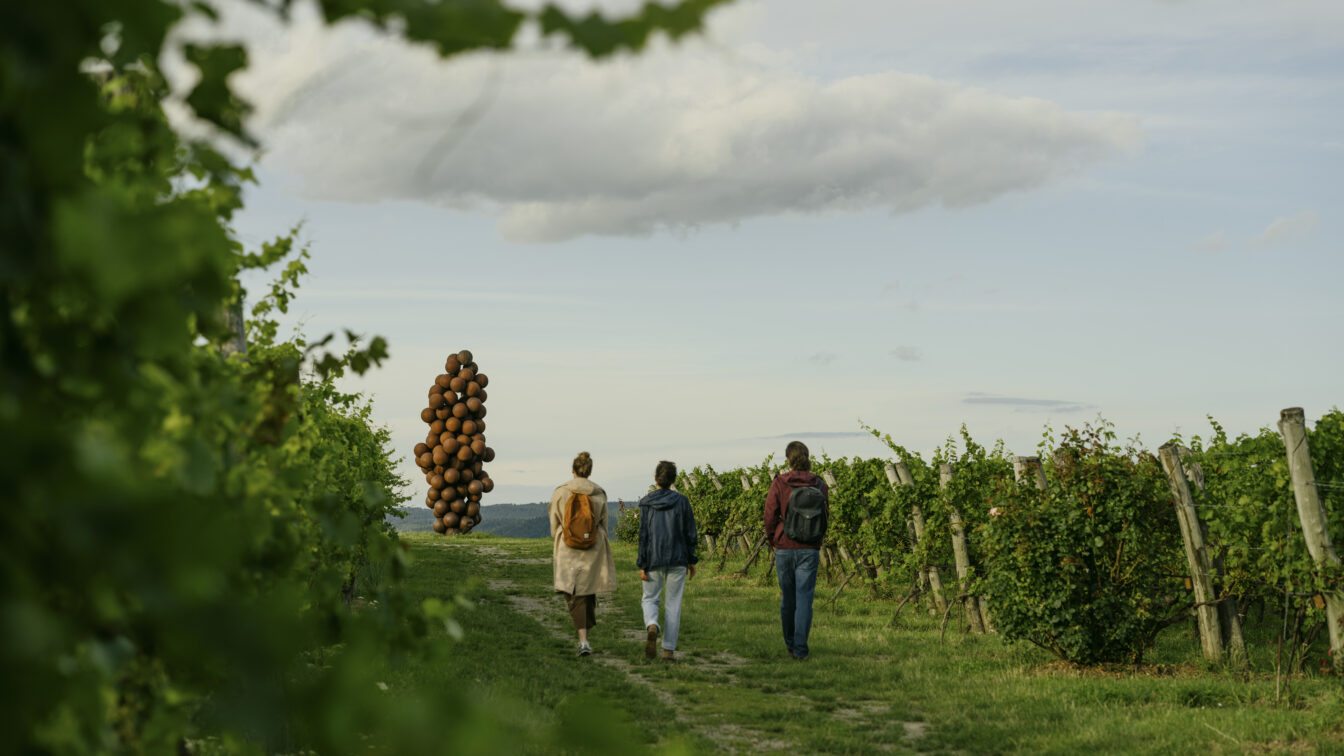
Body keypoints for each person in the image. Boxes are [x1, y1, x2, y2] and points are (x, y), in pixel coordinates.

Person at [763, 440, 830, 660]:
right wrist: (817, 541)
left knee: (788, 599)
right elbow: (825, 517)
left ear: (788, 460)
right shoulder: (820, 484)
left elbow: (770, 514)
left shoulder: (780, 483)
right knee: (804, 600)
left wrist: (774, 539)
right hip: (809, 548)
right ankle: (801, 650)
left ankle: (790, 643)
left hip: (785, 546)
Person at [549, 451, 616, 657]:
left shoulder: (561, 492)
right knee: (587, 590)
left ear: (573, 469)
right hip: (593, 547)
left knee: (574, 592)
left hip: (568, 547)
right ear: (589, 471)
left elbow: (554, 522)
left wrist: (559, 537)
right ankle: (586, 631)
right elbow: (603, 523)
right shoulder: (599, 493)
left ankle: (583, 640)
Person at [636, 460, 698, 661]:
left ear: (656, 478)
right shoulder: (682, 502)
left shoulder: (646, 503)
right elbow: (690, 533)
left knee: (650, 598)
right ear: (674, 480)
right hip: (678, 558)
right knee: (673, 604)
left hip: (653, 558)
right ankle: (668, 650)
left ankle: (652, 624)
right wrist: (691, 559)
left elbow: (644, 535)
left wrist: (642, 563)